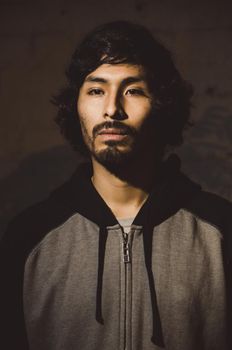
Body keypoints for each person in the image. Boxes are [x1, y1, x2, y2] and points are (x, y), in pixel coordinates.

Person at [0, 21, 231, 350]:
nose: (112, 109)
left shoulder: (222, 230)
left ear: (161, 106)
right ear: (75, 105)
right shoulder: (28, 237)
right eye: (96, 90)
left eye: (133, 90)